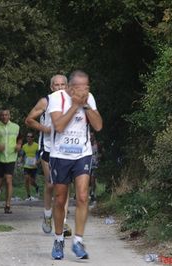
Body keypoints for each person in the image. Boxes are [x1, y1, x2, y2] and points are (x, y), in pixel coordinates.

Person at [48, 70, 103, 260]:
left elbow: (98, 126)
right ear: (70, 88)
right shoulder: (57, 98)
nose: (84, 90)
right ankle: (58, 239)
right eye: (80, 87)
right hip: (60, 155)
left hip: (82, 154)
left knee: (82, 196)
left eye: (87, 87)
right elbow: (59, 126)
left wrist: (86, 105)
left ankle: (78, 241)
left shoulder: (89, 99)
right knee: (60, 199)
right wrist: (74, 106)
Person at [24, 74, 72, 236]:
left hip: (66, 148)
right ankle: (47, 216)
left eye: (62, 85)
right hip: (49, 148)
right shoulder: (46, 101)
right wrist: (45, 129)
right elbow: (29, 119)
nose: (59, 88)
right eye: (56, 85)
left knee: (63, 186)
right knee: (51, 184)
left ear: (67, 86)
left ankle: (63, 222)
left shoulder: (73, 101)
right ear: (52, 88)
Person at [0, 109, 22, 214]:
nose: (4, 117)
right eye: (2, 115)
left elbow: (20, 138)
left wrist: (19, 145)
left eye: (6, 115)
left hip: (11, 157)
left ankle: (8, 205)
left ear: (9, 116)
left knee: (9, 180)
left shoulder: (16, 127)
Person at [20, 132, 40, 201]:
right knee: (26, 179)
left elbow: (40, 155)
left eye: (30, 137)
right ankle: (28, 195)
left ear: (33, 138)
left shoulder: (36, 146)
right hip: (27, 166)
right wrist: (21, 160)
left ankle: (37, 187)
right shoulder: (24, 146)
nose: (28, 138)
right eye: (27, 136)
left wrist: (38, 162)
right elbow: (22, 155)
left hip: (34, 166)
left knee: (32, 182)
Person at [89, 132, 101, 202]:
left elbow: (102, 153)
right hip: (87, 164)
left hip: (95, 164)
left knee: (93, 179)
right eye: (90, 136)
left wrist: (99, 157)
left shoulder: (98, 145)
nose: (91, 137)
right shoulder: (86, 144)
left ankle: (93, 193)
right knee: (87, 179)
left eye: (92, 136)